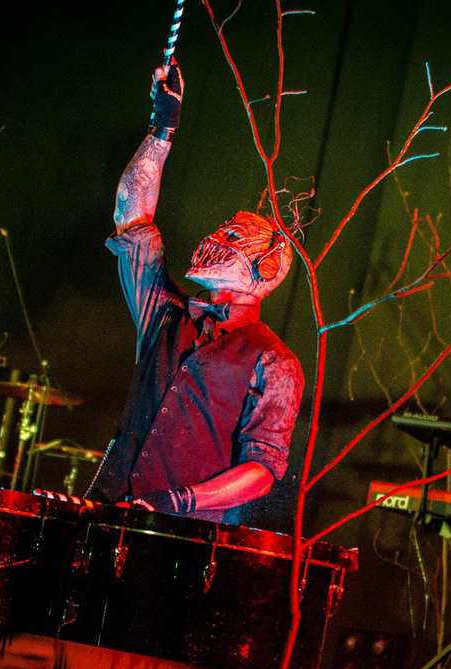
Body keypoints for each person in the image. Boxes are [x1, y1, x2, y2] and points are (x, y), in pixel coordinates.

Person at [85, 61, 304, 525]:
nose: (214, 240)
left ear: (266, 267)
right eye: (221, 230)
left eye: (233, 238)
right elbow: (131, 216)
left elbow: (263, 470)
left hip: (182, 540)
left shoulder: (275, 361)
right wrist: (162, 128)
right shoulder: (166, 316)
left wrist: (180, 501)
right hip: (103, 513)